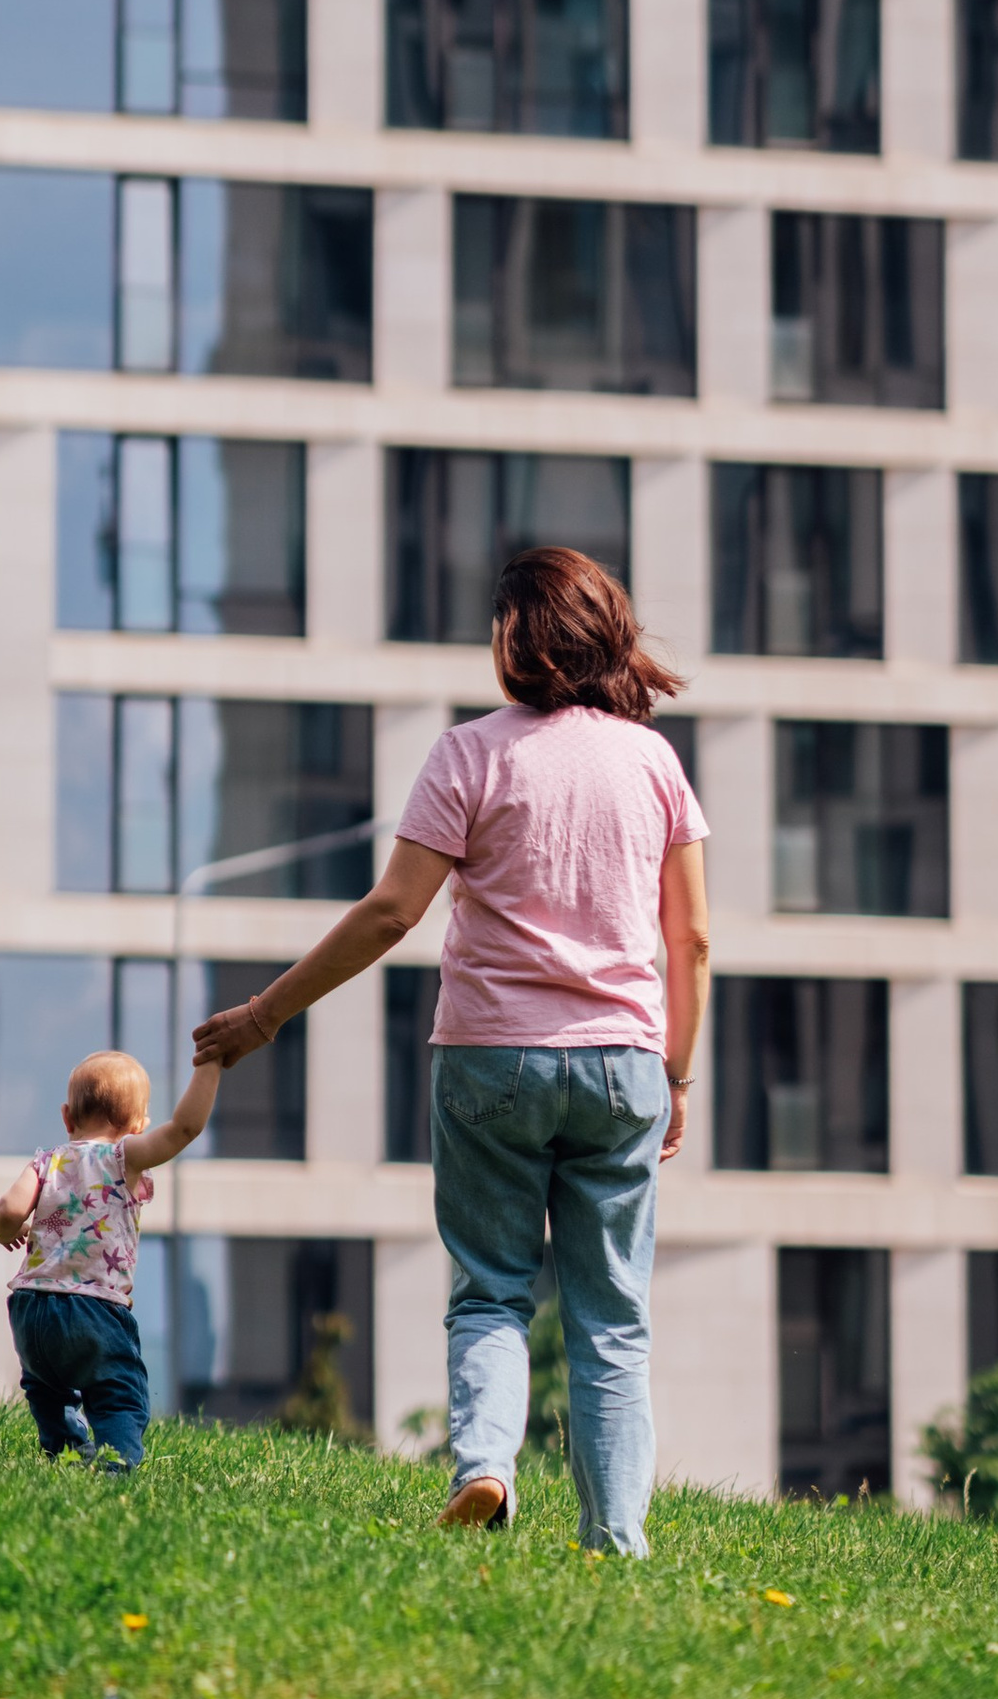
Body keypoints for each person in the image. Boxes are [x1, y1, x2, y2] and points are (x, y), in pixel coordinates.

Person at [193, 546, 707, 1556]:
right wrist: (676, 1073)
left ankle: (485, 1467)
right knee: (612, 1316)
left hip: (488, 1061)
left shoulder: (468, 753)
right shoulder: (654, 763)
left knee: (491, 1288)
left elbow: (391, 912)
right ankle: (617, 1539)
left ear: (516, 640)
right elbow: (688, 937)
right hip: (622, 1062)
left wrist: (266, 1014)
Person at [0, 1049, 220, 1470]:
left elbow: (7, 1211)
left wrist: (12, 1233)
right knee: (119, 1393)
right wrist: (213, 1064)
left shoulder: (47, 1161)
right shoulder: (123, 1157)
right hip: (93, 1307)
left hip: (30, 1308)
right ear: (137, 1126)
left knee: (47, 1390)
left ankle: (66, 1453)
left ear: (67, 1117)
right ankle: (115, 1468)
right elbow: (185, 1128)